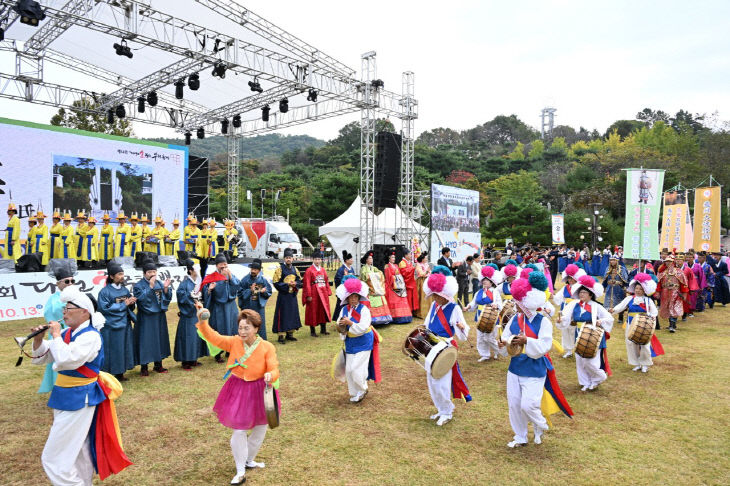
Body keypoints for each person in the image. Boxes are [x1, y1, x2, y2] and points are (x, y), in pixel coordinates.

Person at [31, 285, 132, 484]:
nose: (64, 312)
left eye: (69, 308)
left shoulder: (91, 336)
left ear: (84, 311)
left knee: (53, 458)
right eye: (64, 309)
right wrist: (39, 340)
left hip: (79, 396)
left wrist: (57, 335)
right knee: (79, 450)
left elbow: (68, 359)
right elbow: (45, 357)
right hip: (65, 395)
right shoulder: (69, 333)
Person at [196, 307, 280, 485]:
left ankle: (249, 460)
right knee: (239, 430)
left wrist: (270, 375)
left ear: (256, 328)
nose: (242, 331)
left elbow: (274, 368)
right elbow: (214, 337)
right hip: (239, 389)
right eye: (240, 327)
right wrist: (203, 322)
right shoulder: (234, 342)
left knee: (260, 428)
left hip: (260, 390)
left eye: (246, 328)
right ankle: (240, 469)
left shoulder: (267, 347)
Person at [500, 271, 573, 447]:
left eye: (517, 303)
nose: (514, 305)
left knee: (529, 404)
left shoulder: (543, 322)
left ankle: (540, 425)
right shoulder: (515, 319)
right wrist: (503, 343)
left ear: (526, 303)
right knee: (515, 404)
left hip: (534, 367)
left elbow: (545, 345)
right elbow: (506, 336)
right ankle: (520, 436)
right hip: (515, 367)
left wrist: (527, 341)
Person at [421, 267, 471, 426]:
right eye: (434, 294)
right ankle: (440, 408)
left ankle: (447, 411)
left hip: (445, 348)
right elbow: (427, 324)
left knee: (442, 381)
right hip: (432, 345)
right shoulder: (434, 306)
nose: (435, 298)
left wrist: (462, 327)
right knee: (432, 379)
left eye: (437, 295)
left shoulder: (454, 308)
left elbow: (463, 334)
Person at [559, 275, 614, 391]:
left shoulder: (596, 306)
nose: (581, 294)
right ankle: (585, 382)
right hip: (579, 334)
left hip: (593, 336)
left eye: (584, 292)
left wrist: (600, 321)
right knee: (580, 360)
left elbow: (609, 319)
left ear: (590, 294)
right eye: (580, 292)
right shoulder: (574, 305)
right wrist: (561, 320)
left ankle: (598, 378)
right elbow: (565, 316)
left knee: (591, 362)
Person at [333, 278, 382, 403]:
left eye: (355, 296)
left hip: (364, 342)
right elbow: (339, 325)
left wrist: (350, 323)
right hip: (350, 342)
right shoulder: (344, 310)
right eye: (351, 297)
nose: (353, 299)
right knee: (349, 370)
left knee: (357, 368)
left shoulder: (364, 310)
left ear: (359, 297)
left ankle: (363, 388)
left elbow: (363, 327)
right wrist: (342, 328)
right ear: (347, 298)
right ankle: (355, 392)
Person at [609, 273, 664, 373]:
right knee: (630, 343)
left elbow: (654, 312)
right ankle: (636, 363)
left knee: (644, 344)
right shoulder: (630, 299)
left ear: (644, 290)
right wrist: (613, 310)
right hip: (631, 324)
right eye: (636, 288)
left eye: (640, 289)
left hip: (644, 324)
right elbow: (620, 306)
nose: (638, 290)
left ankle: (645, 363)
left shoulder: (648, 301)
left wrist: (649, 321)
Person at [38, 265, 75, 394]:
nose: (70, 284)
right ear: (58, 283)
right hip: (58, 333)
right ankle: (58, 387)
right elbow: (49, 315)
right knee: (58, 359)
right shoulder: (53, 299)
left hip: (74, 333)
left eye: (72, 281)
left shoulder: (77, 296)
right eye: (67, 281)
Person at [98, 261, 137, 381]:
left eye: (122, 274)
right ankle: (109, 373)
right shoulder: (104, 292)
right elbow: (104, 308)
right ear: (111, 276)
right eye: (119, 274)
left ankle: (120, 372)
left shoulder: (125, 290)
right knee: (113, 349)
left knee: (124, 347)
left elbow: (128, 307)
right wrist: (123, 305)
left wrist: (131, 303)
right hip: (111, 325)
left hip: (124, 323)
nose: (122, 276)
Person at [133, 260, 172, 375]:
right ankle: (144, 366)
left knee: (159, 339)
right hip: (146, 317)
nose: (152, 274)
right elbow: (141, 300)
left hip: (159, 316)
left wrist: (165, 289)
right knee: (146, 340)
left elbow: (165, 298)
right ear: (144, 273)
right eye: (149, 272)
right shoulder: (138, 285)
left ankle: (158, 364)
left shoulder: (159, 283)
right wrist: (150, 287)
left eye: (154, 271)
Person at [203, 253, 242, 361]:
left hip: (230, 307)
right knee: (219, 329)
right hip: (218, 308)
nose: (223, 267)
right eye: (221, 264)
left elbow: (237, 286)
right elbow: (206, 293)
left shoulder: (230, 274)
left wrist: (229, 278)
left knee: (232, 328)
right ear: (216, 265)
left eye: (225, 264)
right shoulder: (211, 277)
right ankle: (218, 353)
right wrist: (210, 290)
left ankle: (230, 350)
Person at [175, 260, 209, 369]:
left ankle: (194, 358)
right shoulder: (184, 284)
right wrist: (192, 301)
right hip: (189, 314)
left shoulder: (199, 282)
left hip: (197, 314)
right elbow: (181, 297)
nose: (198, 271)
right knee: (188, 336)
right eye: (196, 269)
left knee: (196, 336)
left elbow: (203, 296)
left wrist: (204, 297)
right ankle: (186, 360)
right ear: (190, 271)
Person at [466, 265, 504, 362]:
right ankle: (484, 354)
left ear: (491, 282)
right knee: (480, 337)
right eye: (484, 280)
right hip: (480, 317)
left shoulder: (495, 292)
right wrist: (468, 307)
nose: (485, 282)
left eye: (487, 280)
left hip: (491, 317)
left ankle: (497, 350)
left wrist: (496, 305)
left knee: (489, 337)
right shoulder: (478, 292)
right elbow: (473, 303)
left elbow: (500, 304)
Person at [553, 264, 587, 359]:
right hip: (565, 309)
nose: (570, 280)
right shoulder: (565, 288)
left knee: (575, 330)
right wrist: (553, 296)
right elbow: (558, 298)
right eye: (569, 278)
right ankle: (568, 350)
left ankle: (578, 349)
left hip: (576, 309)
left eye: (572, 278)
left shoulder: (581, 288)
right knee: (565, 329)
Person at [272, 248, 303, 343]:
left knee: (292, 314)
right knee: (283, 314)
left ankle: (290, 334)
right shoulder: (279, 269)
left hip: (292, 296)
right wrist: (287, 285)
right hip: (283, 296)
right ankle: (281, 335)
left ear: (292, 259)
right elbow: (276, 282)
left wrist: (295, 284)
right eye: (286, 258)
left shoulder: (295, 269)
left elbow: (300, 281)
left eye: (290, 257)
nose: (288, 259)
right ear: (284, 259)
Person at [238, 258, 272, 340]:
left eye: (255, 269)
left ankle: (261, 341)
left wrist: (264, 291)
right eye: (252, 269)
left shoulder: (263, 280)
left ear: (259, 271)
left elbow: (269, 291)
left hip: (258, 305)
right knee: (247, 323)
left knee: (260, 324)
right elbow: (239, 293)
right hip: (248, 305)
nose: (253, 271)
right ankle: (247, 340)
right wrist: (250, 290)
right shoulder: (245, 280)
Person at [302, 249, 333, 337]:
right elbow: (307, 283)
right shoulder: (309, 270)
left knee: (323, 309)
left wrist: (328, 291)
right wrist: (308, 295)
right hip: (314, 292)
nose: (317, 261)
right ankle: (312, 331)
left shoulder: (323, 270)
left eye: (319, 259)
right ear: (313, 260)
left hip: (323, 292)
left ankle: (323, 329)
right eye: (316, 259)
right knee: (313, 310)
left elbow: (326, 281)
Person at [656, 255, 688, 332]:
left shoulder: (679, 272)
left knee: (674, 307)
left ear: (673, 262)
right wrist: (657, 292)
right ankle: (672, 324)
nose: (668, 263)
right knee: (667, 308)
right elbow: (659, 283)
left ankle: (672, 325)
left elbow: (684, 284)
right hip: (665, 292)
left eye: (669, 261)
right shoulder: (662, 272)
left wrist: (684, 293)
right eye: (666, 261)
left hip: (676, 292)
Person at [360, 250, 392, 325]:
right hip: (368, 290)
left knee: (380, 300)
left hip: (375, 289)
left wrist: (373, 275)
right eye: (370, 258)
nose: (371, 260)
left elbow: (380, 273)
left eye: (372, 258)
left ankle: (382, 319)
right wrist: (372, 275)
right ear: (366, 260)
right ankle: (370, 319)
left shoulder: (373, 268)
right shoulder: (363, 268)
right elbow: (364, 276)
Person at [384, 250, 413, 324]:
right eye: (392, 257)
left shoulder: (396, 265)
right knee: (393, 300)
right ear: (389, 258)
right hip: (391, 286)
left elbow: (400, 274)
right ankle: (394, 317)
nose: (394, 258)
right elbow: (388, 277)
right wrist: (394, 277)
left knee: (402, 299)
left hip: (398, 285)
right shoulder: (387, 266)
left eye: (394, 257)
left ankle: (405, 317)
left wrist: (398, 276)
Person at [333, 250, 357, 323]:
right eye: (350, 259)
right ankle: (339, 319)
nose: (352, 260)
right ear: (346, 260)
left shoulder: (351, 269)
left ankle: (349, 318)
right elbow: (337, 279)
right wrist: (345, 278)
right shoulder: (341, 269)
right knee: (341, 305)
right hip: (344, 290)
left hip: (351, 290)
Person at [602, 255, 628, 322]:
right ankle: (608, 318)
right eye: (611, 260)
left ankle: (620, 317)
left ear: (617, 261)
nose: (612, 262)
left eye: (613, 260)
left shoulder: (622, 269)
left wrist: (619, 283)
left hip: (618, 289)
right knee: (608, 303)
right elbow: (605, 279)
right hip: (609, 289)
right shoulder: (608, 268)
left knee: (620, 303)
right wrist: (605, 285)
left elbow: (625, 279)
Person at [399, 249, 419, 315]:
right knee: (408, 297)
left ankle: (413, 310)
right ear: (405, 255)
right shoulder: (402, 263)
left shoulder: (409, 262)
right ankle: (408, 311)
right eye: (409, 254)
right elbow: (404, 273)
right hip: (407, 282)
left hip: (411, 281)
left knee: (412, 297)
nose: (411, 256)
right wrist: (413, 268)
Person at [414, 252, 431, 318]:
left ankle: (428, 311)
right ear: (422, 259)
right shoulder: (418, 265)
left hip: (427, 280)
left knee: (428, 296)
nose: (426, 259)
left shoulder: (427, 264)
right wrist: (427, 271)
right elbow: (421, 274)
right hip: (421, 281)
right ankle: (420, 312)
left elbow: (430, 272)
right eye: (425, 258)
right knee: (422, 296)